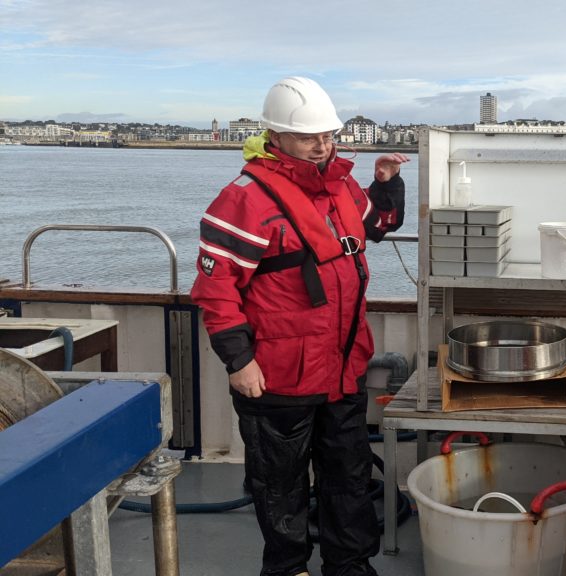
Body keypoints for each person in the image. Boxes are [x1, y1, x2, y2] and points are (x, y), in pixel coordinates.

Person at [190, 76, 407, 576]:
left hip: (342, 367)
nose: (323, 145)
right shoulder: (243, 199)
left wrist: (386, 181)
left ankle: (349, 566)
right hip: (278, 375)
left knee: (348, 477)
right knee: (279, 485)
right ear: (276, 135)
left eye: (328, 135)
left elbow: (378, 225)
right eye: (309, 136)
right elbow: (216, 289)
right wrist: (239, 361)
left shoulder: (342, 186)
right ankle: (288, 569)